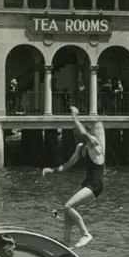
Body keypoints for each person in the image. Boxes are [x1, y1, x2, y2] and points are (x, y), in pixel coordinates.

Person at [43, 106, 105, 249]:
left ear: (84, 131)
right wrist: (52, 170)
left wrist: (74, 116)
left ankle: (85, 234)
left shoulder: (94, 143)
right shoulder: (80, 147)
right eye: (73, 132)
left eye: (76, 131)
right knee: (68, 211)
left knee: (68, 206)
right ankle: (66, 242)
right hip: (88, 183)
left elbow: (84, 132)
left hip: (95, 184)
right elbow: (69, 164)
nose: (75, 134)